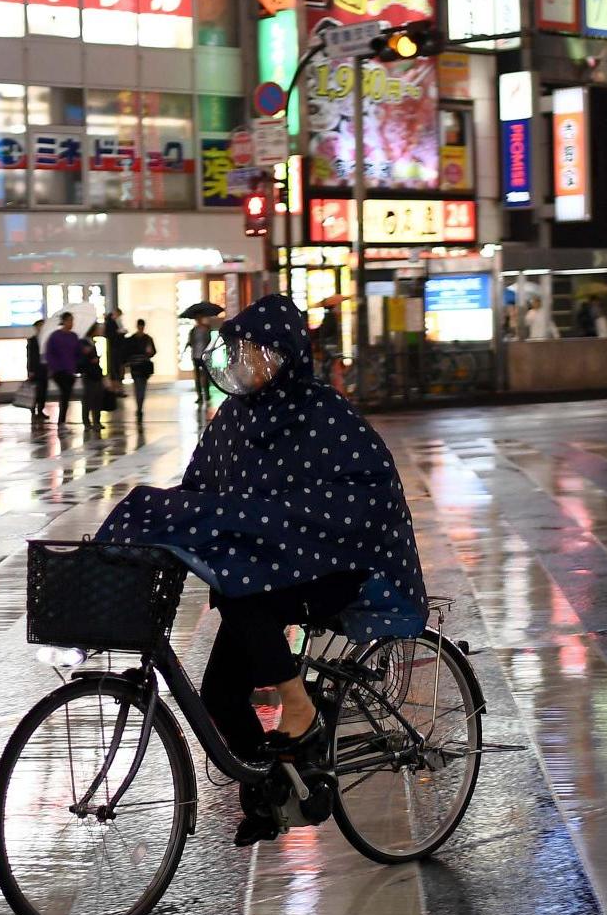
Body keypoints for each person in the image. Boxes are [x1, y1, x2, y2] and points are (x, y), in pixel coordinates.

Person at [98, 294, 426, 846]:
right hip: (270, 571)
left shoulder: (325, 413)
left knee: (242, 597)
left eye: (255, 348)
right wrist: (170, 523)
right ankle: (275, 794)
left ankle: (298, 706)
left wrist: (285, 523)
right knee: (220, 693)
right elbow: (201, 488)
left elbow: (366, 496)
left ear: (286, 354)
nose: (244, 359)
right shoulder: (234, 418)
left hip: (335, 567)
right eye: (240, 347)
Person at [44, 312, 84, 426]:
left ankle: (62, 420)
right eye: (69, 320)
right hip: (59, 371)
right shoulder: (55, 336)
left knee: (66, 395)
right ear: (64, 321)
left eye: (72, 321)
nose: (71, 323)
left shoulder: (73, 336)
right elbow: (50, 353)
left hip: (70, 370)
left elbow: (77, 352)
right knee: (65, 393)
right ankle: (61, 421)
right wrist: (54, 367)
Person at [124, 318, 157, 424]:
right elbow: (153, 352)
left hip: (138, 367)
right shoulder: (146, 339)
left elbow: (128, 352)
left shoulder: (134, 339)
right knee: (140, 387)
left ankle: (139, 406)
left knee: (139, 387)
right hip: (141, 367)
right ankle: (139, 406)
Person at [78, 334, 111, 430]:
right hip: (88, 374)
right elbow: (81, 359)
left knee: (98, 398)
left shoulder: (92, 341)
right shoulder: (82, 342)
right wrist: (89, 357)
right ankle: (87, 422)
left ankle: (97, 421)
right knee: (88, 399)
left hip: (96, 373)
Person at [25, 318, 47, 425]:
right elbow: (30, 357)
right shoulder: (32, 340)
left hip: (44, 369)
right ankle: (33, 409)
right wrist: (30, 370)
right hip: (35, 369)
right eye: (40, 326)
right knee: (35, 391)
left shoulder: (46, 340)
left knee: (43, 391)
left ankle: (41, 410)